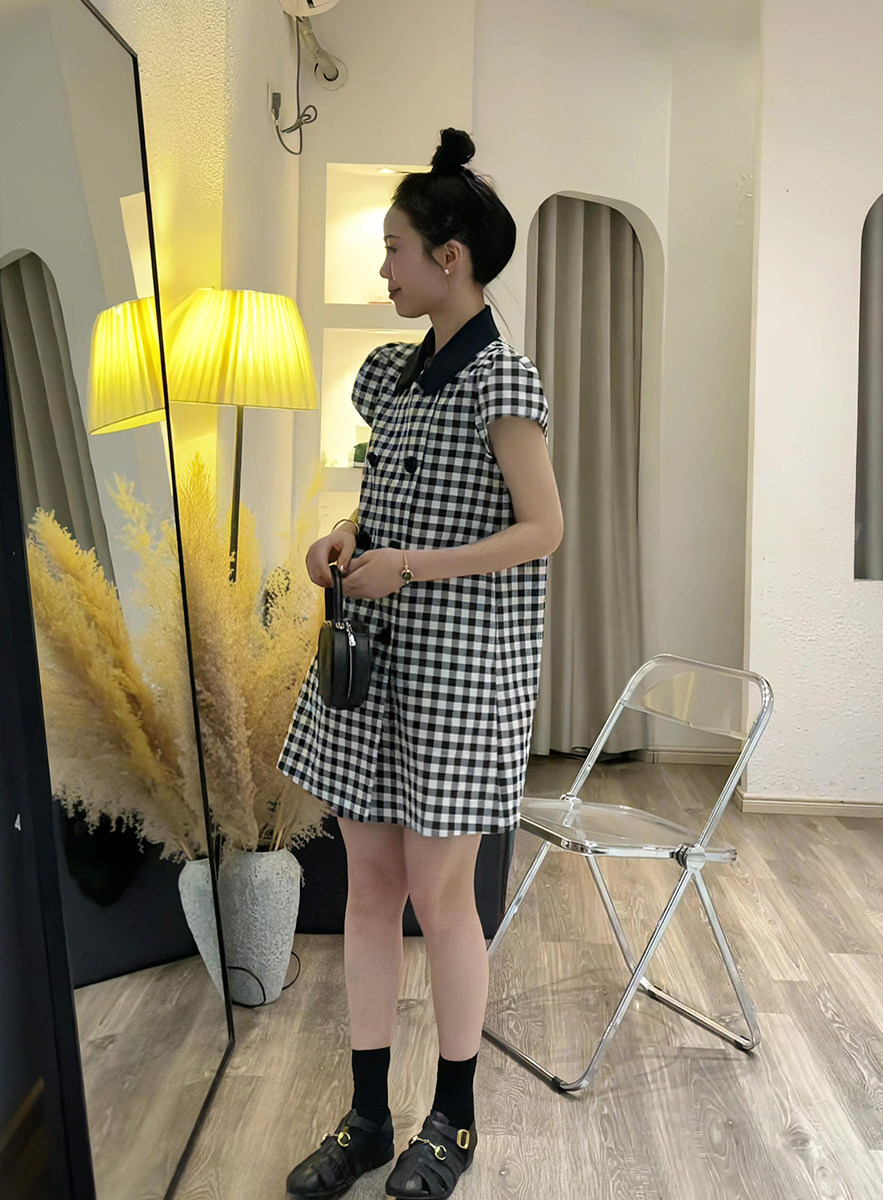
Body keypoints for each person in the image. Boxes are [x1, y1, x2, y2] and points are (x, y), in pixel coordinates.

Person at [278, 127, 563, 1199]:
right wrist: (343, 539)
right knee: (369, 889)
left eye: (394, 248)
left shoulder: (505, 380)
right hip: (374, 665)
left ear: (451, 257)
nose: (384, 268)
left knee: (444, 903)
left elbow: (543, 529)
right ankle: (365, 1119)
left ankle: (454, 1119)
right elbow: (386, 502)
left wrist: (411, 568)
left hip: (460, 671)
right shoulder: (394, 377)